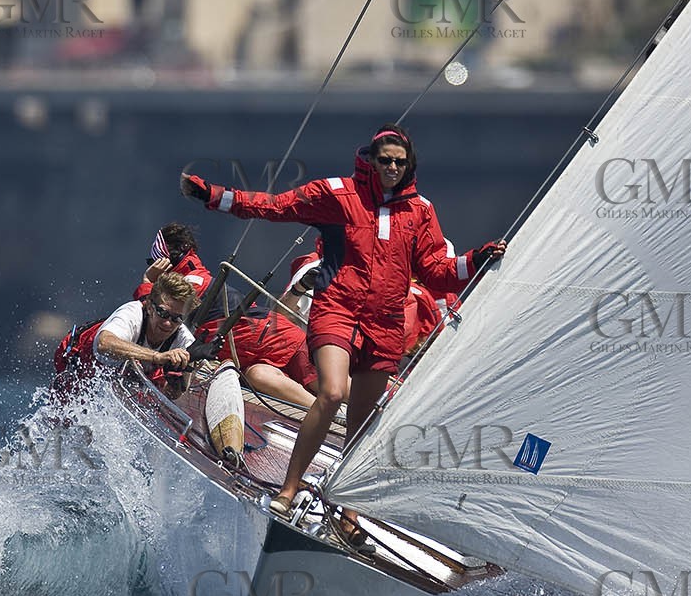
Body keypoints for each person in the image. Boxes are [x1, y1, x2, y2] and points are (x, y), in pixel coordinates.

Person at [182, 125, 506, 548]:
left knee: (361, 422)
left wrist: (476, 259)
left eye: (399, 162)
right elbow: (273, 207)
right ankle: (288, 489)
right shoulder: (337, 193)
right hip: (337, 310)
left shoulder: (421, 210)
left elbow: (436, 271)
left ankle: (349, 512)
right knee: (332, 393)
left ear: (409, 166)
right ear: (371, 159)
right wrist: (214, 197)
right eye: (384, 159)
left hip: (385, 325)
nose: (391, 167)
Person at [53, 271, 197, 397]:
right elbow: (104, 343)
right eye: (163, 313)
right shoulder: (132, 313)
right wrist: (157, 357)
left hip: (119, 377)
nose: (168, 323)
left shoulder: (185, 341)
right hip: (80, 364)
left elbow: (172, 394)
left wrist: (177, 386)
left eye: (177, 318)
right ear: (149, 307)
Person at [217, 255, 322, 410]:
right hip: (276, 358)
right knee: (258, 375)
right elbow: (282, 316)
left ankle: (358, 408)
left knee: (322, 374)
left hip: (317, 355)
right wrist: (299, 288)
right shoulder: (315, 268)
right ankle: (331, 413)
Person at [134, 223, 212, 305]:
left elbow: (156, 314)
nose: (154, 267)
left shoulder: (194, 283)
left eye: (158, 259)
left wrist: (148, 281)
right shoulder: (195, 278)